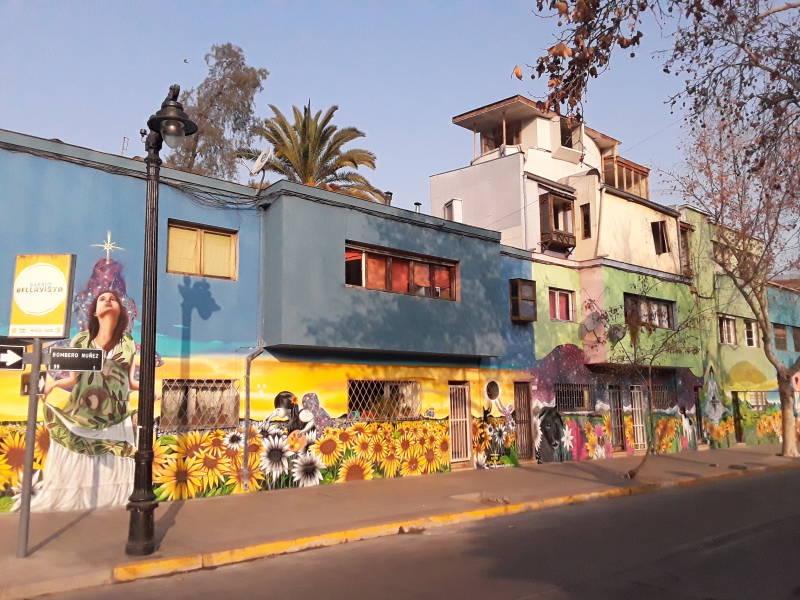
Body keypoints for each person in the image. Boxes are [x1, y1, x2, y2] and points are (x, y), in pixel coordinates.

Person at [32, 291, 139, 511]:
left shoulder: (128, 342)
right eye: (102, 298)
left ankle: (111, 497)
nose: (108, 300)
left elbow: (131, 381)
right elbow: (73, 377)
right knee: (77, 452)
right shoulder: (81, 339)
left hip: (115, 412)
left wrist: (154, 389)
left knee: (113, 457)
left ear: (120, 310)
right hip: (83, 409)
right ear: (94, 312)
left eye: (113, 299)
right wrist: (53, 384)